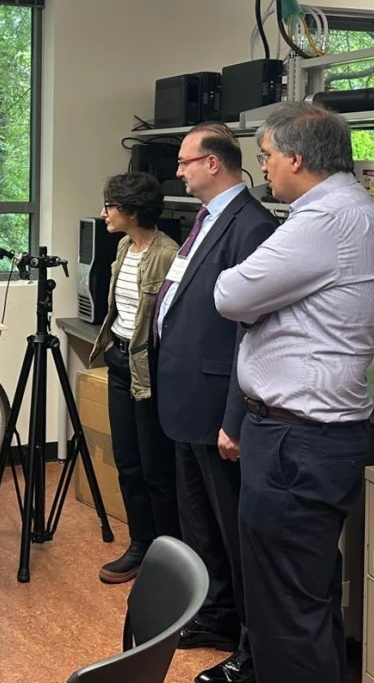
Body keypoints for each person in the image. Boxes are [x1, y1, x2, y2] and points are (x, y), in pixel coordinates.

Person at [214, 102, 374, 683]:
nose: (263, 167)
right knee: (300, 600)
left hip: (297, 441)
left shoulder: (325, 219)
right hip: (305, 437)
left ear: (296, 158)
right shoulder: (344, 209)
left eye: (266, 156)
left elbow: (230, 295)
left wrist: (255, 300)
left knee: (285, 610)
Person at [155, 123, 278, 683]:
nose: (178, 171)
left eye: (185, 161)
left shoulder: (251, 225)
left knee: (231, 528)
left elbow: (249, 333)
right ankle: (216, 614)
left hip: (217, 402)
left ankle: (251, 644)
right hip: (186, 396)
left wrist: (235, 416)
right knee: (199, 520)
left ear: (212, 163)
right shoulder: (205, 219)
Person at [89, 172, 182, 584]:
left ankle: (168, 555)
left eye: (110, 206)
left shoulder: (168, 254)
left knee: (155, 467)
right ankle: (140, 544)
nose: (103, 213)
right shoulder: (124, 246)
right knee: (127, 462)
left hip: (149, 369)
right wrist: (113, 342)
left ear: (131, 210)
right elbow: (121, 307)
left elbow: (173, 321)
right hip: (119, 361)